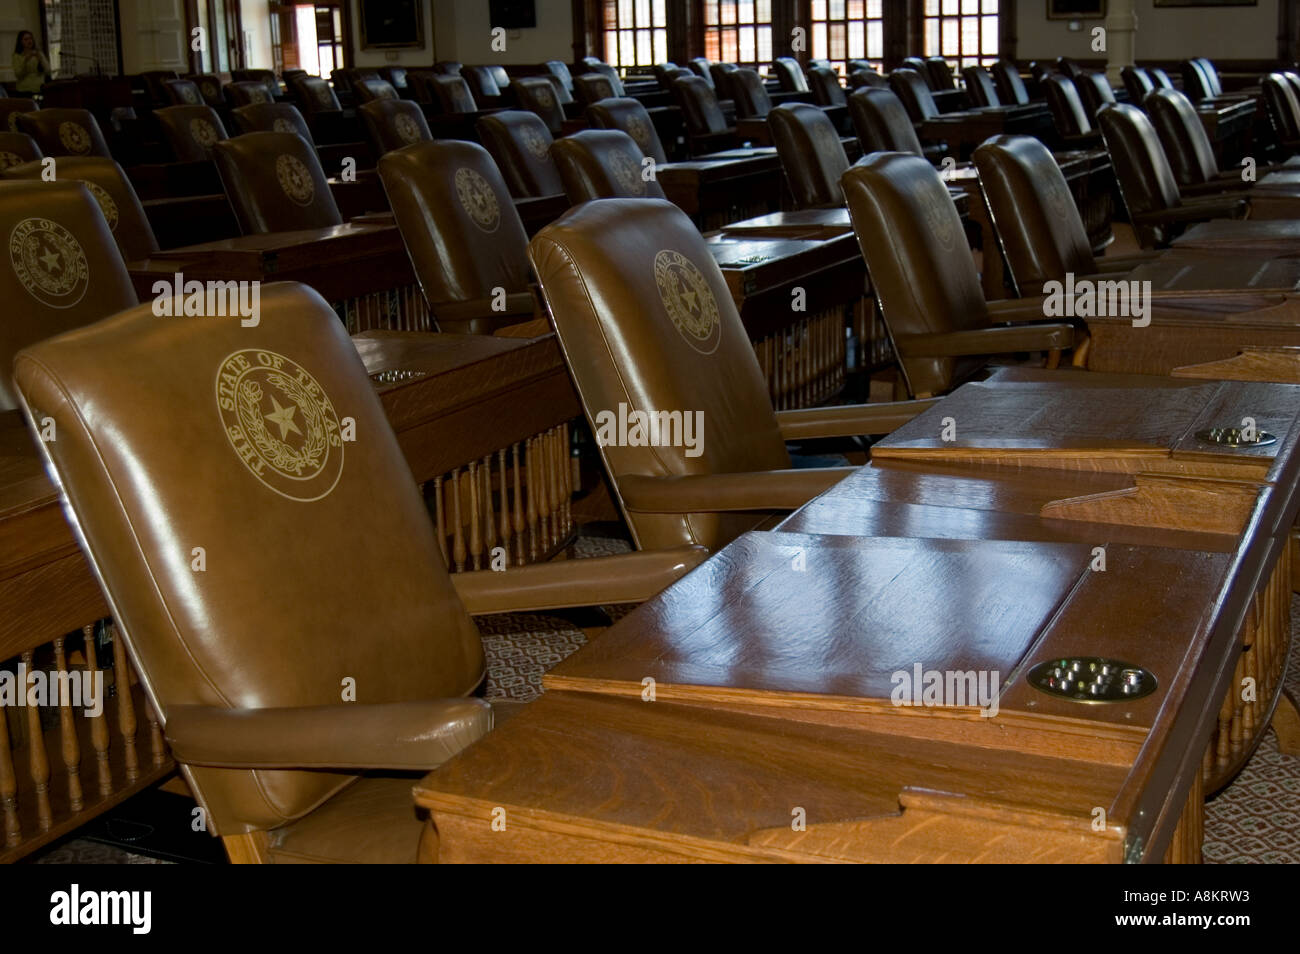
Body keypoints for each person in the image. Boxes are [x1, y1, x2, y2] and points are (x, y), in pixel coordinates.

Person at [12, 30, 51, 95]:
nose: (29, 41)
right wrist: (26, 60)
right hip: (25, 89)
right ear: (21, 42)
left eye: (30, 38)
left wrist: (40, 58)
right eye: (26, 39)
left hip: (40, 88)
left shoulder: (39, 53)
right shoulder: (17, 56)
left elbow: (48, 70)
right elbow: (18, 74)